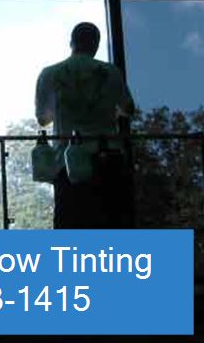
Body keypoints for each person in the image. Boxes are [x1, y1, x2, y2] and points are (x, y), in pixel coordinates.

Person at [35, 22, 135, 229]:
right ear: (96, 45)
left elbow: (43, 119)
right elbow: (128, 109)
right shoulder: (111, 72)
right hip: (109, 157)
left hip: (70, 163)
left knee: (71, 230)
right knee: (114, 229)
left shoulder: (50, 74)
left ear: (72, 42)